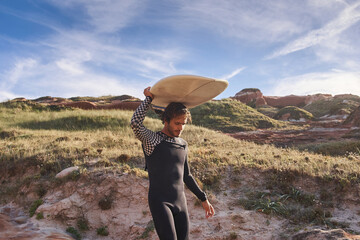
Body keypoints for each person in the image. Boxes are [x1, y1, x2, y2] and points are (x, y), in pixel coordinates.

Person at [131, 87, 215, 240]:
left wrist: (203, 199)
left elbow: (187, 175)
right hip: (160, 202)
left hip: (180, 203)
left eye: (183, 124)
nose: (180, 128)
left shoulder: (182, 144)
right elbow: (135, 123)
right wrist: (148, 99)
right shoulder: (153, 140)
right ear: (165, 120)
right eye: (177, 123)